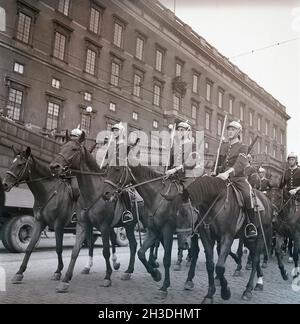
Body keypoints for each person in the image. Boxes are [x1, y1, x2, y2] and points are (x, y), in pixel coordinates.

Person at [215, 121, 257, 239]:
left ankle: (250, 225)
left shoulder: (243, 147)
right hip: (221, 177)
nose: (230, 131)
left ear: (239, 132)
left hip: (238, 179)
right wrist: (215, 170)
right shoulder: (223, 146)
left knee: (247, 195)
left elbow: (240, 164)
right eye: (229, 129)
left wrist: (227, 173)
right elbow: (218, 163)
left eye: (233, 129)